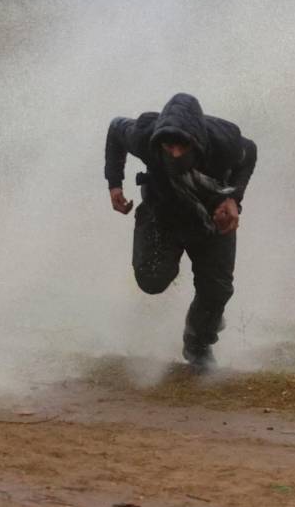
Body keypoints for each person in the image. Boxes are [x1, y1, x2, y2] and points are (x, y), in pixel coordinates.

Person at [104, 93, 258, 370]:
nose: (174, 153)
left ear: (196, 142)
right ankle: (173, 271)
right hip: (161, 214)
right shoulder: (144, 136)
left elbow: (250, 154)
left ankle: (198, 343)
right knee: (151, 280)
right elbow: (116, 129)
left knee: (217, 290)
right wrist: (114, 183)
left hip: (212, 217)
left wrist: (233, 198)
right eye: (168, 147)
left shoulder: (225, 143)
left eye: (182, 147)